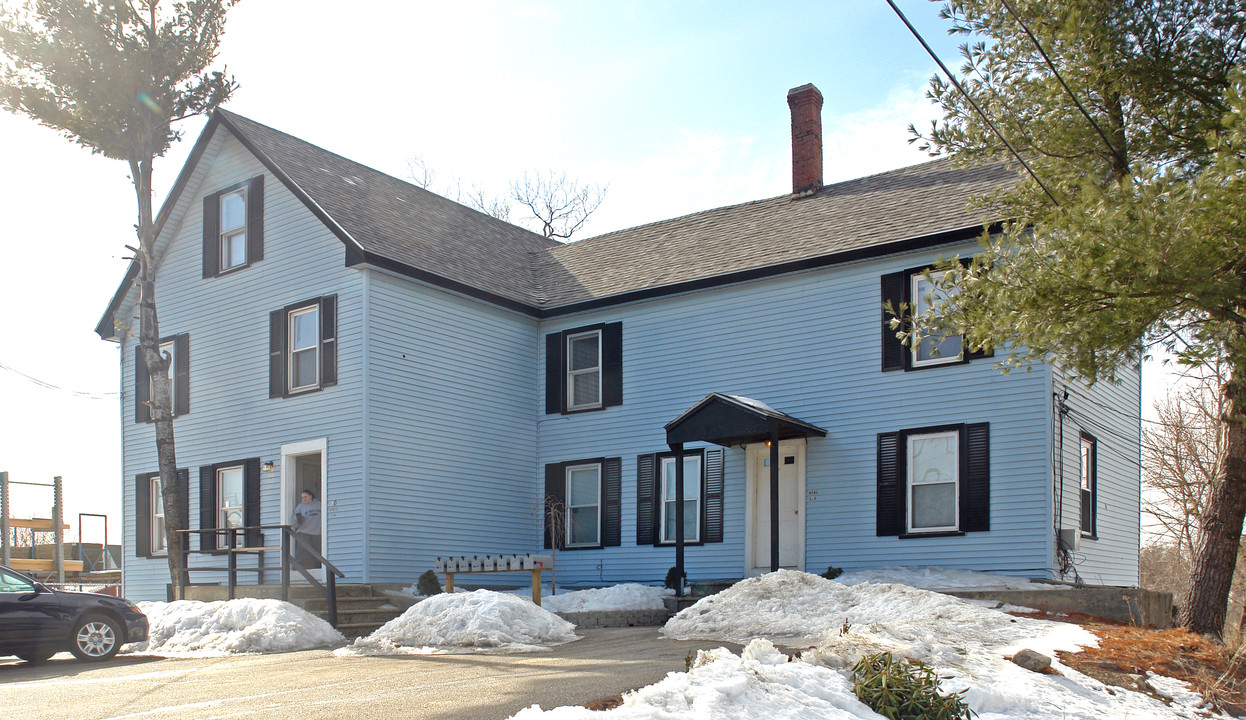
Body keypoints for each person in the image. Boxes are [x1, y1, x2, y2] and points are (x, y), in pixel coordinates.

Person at [292, 489, 322, 570]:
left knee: (316, 551)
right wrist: (296, 519)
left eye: (305, 497)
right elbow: (294, 522)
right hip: (303, 531)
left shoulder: (319, 504)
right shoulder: (300, 506)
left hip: (316, 532)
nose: (303, 499)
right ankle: (298, 567)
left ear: (311, 496)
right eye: (302, 497)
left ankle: (318, 567)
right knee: (302, 549)